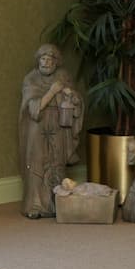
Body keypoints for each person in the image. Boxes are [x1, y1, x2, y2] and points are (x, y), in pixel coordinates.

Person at [18, 44, 83, 219]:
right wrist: (52, 91)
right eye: (43, 59)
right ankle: (35, 205)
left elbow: (76, 102)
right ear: (38, 60)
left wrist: (71, 96)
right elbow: (34, 109)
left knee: (57, 162)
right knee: (37, 164)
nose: (46, 63)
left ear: (56, 63)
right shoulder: (30, 80)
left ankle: (56, 203)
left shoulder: (63, 77)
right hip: (37, 127)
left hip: (58, 125)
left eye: (50, 59)